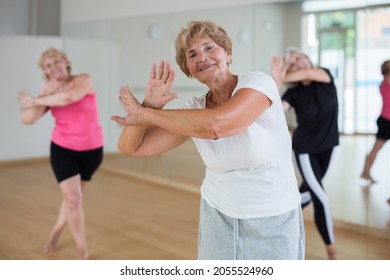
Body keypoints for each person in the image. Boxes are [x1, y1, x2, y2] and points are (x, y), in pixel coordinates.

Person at [111, 20, 304, 260]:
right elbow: (132, 147)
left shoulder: (259, 83)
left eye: (209, 47)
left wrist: (146, 114)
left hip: (272, 218)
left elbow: (218, 125)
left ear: (228, 53)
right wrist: (150, 105)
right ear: (189, 69)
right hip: (218, 217)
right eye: (192, 54)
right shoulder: (195, 110)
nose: (202, 56)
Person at [17, 47, 104, 259]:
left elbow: (68, 98)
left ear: (65, 61)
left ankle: (56, 231)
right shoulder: (48, 94)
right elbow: (27, 119)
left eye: (56, 61)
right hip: (62, 149)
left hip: (92, 150)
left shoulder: (84, 79)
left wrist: (36, 101)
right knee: (73, 200)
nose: (53, 66)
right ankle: (82, 249)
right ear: (45, 72)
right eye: (48, 65)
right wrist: (42, 95)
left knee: (74, 198)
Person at [270, 48, 339, 260]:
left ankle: (272, 217)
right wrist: (276, 82)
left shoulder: (324, 76)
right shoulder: (294, 93)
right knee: (321, 198)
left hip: (329, 147)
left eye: (298, 58)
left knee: (306, 194)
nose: (296, 63)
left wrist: (282, 74)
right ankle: (332, 251)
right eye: (290, 63)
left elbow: (308, 74)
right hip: (305, 150)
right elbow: (277, 108)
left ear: (308, 59)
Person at [360, 60, 390, 194]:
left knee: (374, 150)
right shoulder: (387, 82)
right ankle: (365, 172)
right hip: (387, 121)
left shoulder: (384, 82)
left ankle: (365, 172)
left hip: (385, 120)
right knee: (375, 150)